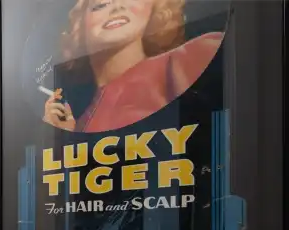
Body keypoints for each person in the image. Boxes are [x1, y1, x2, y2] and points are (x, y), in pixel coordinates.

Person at [43, 0, 223, 133]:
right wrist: (63, 136)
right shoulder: (78, 124)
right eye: (100, 5)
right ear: (79, 26)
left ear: (153, 8)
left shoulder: (197, 54)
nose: (117, 7)